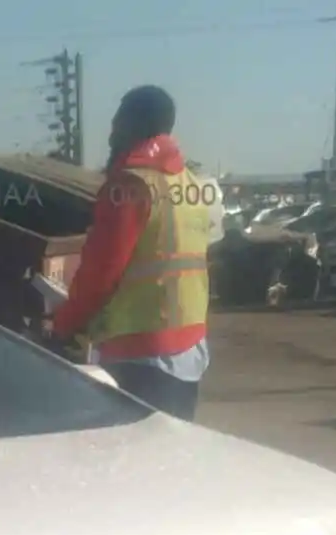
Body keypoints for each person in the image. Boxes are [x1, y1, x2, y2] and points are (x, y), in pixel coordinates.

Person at [48, 85, 213, 421]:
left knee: (132, 462)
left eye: (118, 119)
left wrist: (62, 326)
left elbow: (100, 274)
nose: (111, 130)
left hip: (140, 356)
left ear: (135, 123)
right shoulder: (191, 184)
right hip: (188, 351)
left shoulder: (131, 186)